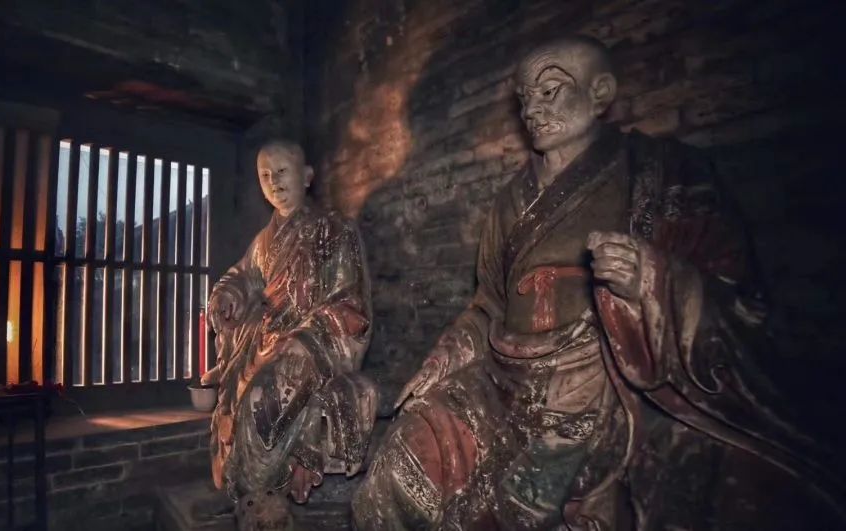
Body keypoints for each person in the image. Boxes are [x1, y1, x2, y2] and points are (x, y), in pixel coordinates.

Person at [351, 36, 845, 530]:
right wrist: (445, 357)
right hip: (505, 381)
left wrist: (651, 280)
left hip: (616, 384)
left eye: (550, 90)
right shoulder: (509, 202)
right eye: (525, 98)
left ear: (600, 92)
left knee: (715, 485)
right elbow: (488, 305)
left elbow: (742, 303)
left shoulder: (664, 174)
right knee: (400, 461)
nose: (533, 109)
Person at [201, 139, 378, 526]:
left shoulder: (333, 230)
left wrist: (302, 338)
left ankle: (261, 491)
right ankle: (247, 492)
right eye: (265, 176)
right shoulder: (263, 242)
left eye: (282, 172)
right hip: (262, 342)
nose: (274, 182)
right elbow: (241, 276)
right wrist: (227, 296)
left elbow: (349, 304)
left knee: (261, 399)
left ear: (307, 176)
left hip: (313, 343)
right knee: (236, 398)